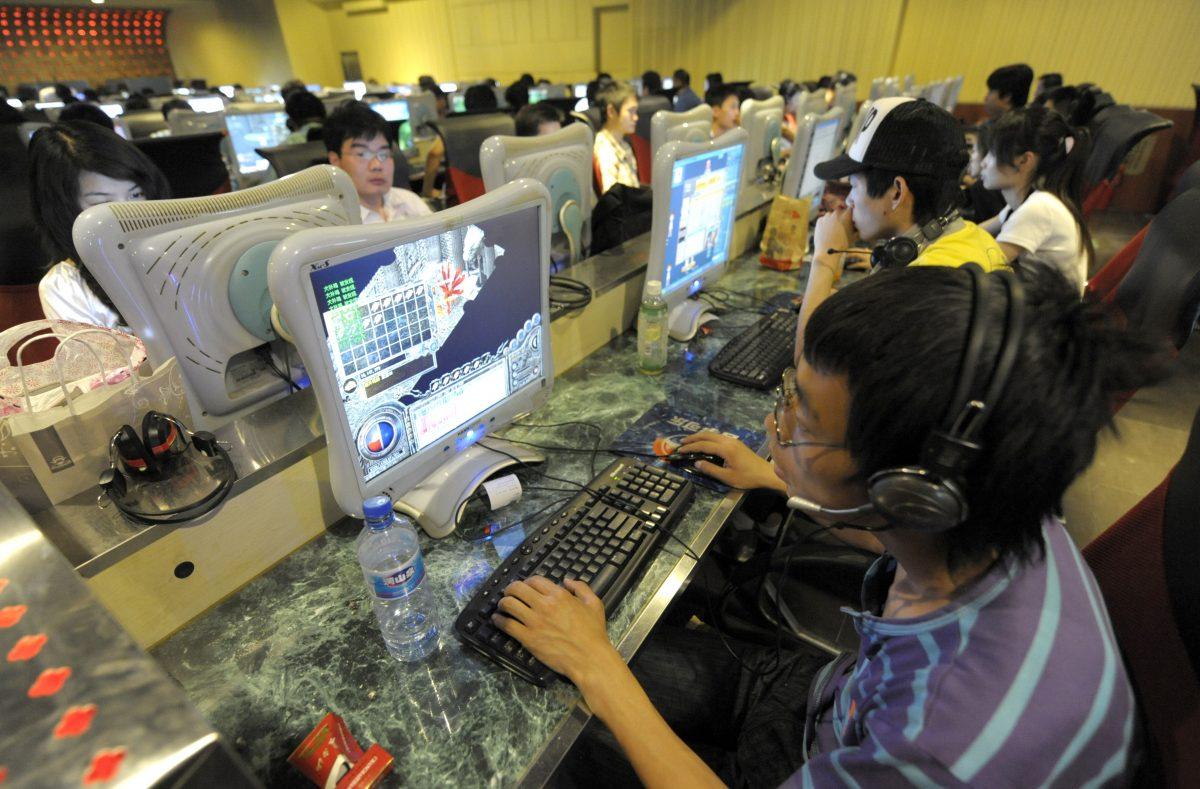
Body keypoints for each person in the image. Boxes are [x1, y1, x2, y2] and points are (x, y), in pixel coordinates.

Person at [495, 262, 1156, 786]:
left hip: (837, 744)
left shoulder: (944, 747)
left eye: (803, 422)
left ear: (910, 492)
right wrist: (773, 476)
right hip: (829, 703)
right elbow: (903, 532)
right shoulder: (1003, 499)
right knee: (576, 672)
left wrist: (597, 667)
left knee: (554, 744)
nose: (775, 426)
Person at [794, 97, 1007, 352]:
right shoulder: (973, 237)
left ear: (896, 192)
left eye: (853, 186)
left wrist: (823, 258)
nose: (848, 201)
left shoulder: (918, 287)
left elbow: (808, 365)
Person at [29, 122, 171, 328]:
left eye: (136, 194)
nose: (127, 213)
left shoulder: (183, 248)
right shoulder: (66, 287)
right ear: (66, 209)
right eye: (103, 203)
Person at [979, 106, 1094, 293]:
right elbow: (977, 233)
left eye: (992, 153)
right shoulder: (1028, 202)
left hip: (1046, 318)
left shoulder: (1040, 208)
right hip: (1038, 308)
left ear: (1025, 160)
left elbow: (983, 263)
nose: (983, 162)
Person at [324, 103, 430, 225]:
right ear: (335, 161)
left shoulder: (409, 201)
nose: (377, 166)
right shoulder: (330, 223)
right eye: (362, 154)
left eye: (383, 155)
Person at [592, 81, 639, 194]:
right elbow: (612, 202)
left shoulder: (624, 145)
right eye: (630, 111)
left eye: (636, 111)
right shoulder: (604, 149)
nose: (636, 117)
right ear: (611, 111)